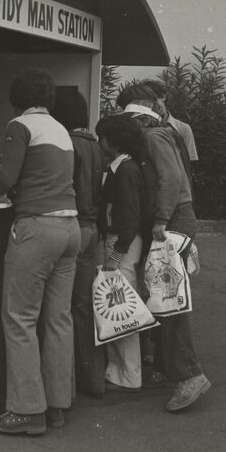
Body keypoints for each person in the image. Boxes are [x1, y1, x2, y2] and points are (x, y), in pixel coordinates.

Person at [0, 69, 80, 435]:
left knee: (20, 318)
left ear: (16, 100)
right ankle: (56, 405)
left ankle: (26, 411)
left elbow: (6, 177)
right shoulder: (60, 130)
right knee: (58, 319)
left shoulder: (20, 125)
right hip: (70, 228)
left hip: (36, 229)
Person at [119, 85, 211, 412]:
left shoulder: (153, 136)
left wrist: (161, 217)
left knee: (169, 302)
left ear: (140, 118)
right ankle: (166, 368)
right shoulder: (164, 133)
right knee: (165, 298)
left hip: (171, 221)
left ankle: (190, 375)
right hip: (176, 219)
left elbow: (171, 178)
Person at [51, 89, 106, 397]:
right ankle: (93, 380)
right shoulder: (96, 146)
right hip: (93, 229)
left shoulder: (67, 145)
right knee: (84, 307)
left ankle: (66, 386)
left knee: (60, 309)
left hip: (72, 225)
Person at [95, 113, 148, 393]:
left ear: (114, 141)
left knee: (122, 307)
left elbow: (130, 216)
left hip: (122, 243)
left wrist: (116, 254)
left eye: (102, 137)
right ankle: (121, 371)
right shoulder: (123, 167)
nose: (99, 142)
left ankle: (128, 374)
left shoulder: (125, 170)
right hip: (122, 241)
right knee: (117, 304)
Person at [144, 79, 199, 172]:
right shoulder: (143, 127)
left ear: (163, 97)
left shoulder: (183, 128)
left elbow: (190, 162)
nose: (153, 106)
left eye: (154, 100)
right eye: (147, 103)